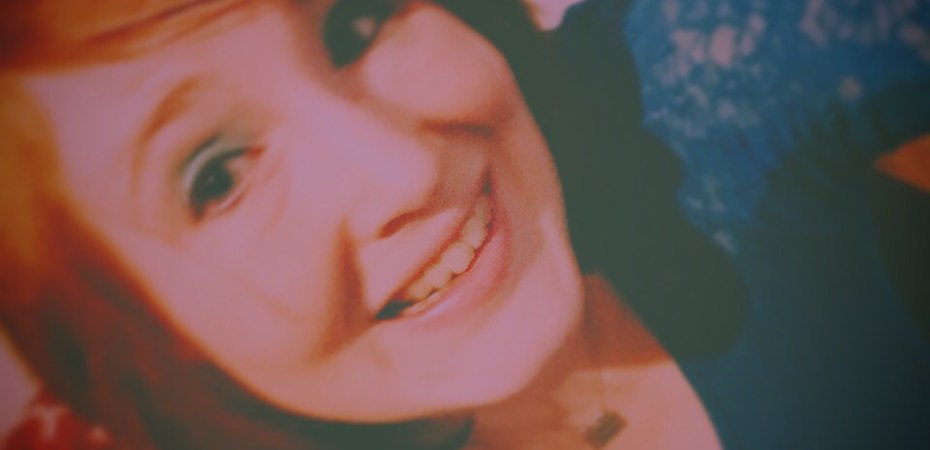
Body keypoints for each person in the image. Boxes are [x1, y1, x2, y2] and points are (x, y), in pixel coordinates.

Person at [0, 0, 926, 449]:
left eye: (356, 20)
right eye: (217, 176)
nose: (403, 167)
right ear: (137, 342)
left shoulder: (678, 97)